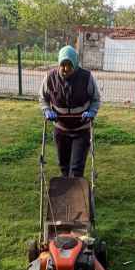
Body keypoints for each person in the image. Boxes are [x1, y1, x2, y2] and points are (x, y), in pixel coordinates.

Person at [39, 45, 101, 178]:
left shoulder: (86, 77)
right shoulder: (50, 78)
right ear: (59, 64)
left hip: (81, 129)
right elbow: (43, 98)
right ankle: (66, 192)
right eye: (63, 65)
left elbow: (95, 99)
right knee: (63, 165)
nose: (66, 69)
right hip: (61, 129)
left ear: (75, 64)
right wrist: (46, 110)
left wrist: (92, 111)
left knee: (77, 167)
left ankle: (77, 193)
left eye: (69, 65)